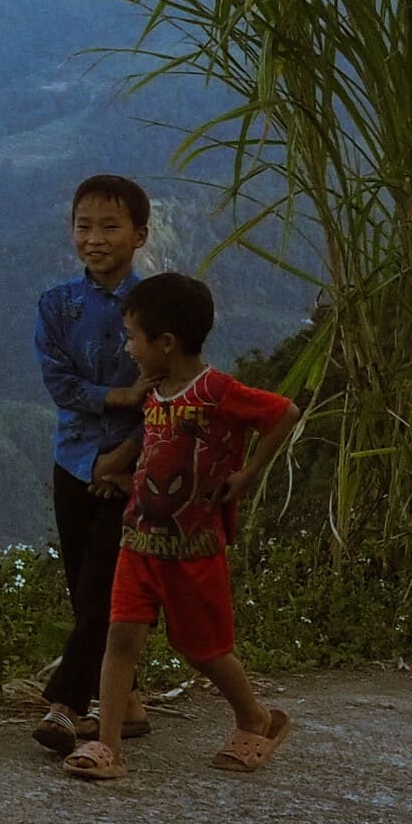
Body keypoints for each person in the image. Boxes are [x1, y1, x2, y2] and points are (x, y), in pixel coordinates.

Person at [65, 271, 295, 781]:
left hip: (192, 549)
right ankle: (108, 748)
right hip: (140, 542)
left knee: (205, 651)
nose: (128, 349)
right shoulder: (155, 394)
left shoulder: (217, 391)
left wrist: (249, 473)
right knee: (120, 638)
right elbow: (159, 454)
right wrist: (121, 477)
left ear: (166, 343)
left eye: (133, 337)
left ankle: (257, 719)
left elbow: (284, 411)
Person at [28, 175, 151, 757]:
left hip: (130, 469)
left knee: (105, 587)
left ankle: (65, 705)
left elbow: (173, 391)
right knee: (84, 589)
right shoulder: (56, 306)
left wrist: (124, 457)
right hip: (72, 460)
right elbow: (59, 383)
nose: (94, 239)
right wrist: (120, 398)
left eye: (110, 226)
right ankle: (124, 701)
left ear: (140, 235)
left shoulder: (156, 306)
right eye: (84, 226)